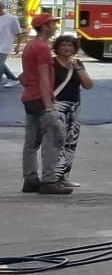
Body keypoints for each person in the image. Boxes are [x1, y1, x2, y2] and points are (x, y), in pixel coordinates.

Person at [19, 12, 69, 195]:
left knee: (31, 141)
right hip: (41, 99)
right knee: (55, 138)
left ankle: (30, 178)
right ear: (45, 26)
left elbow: (24, 75)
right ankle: (49, 180)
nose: (55, 26)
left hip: (30, 97)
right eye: (53, 24)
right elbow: (44, 77)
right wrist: (49, 105)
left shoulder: (31, 46)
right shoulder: (41, 48)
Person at [48, 33, 93, 188]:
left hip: (74, 108)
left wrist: (78, 68)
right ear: (57, 47)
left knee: (70, 143)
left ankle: (64, 177)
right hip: (57, 106)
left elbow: (88, 85)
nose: (66, 48)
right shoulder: (52, 63)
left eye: (70, 45)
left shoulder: (77, 63)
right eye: (63, 45)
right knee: (56, 142)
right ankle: (51, 177)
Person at [0, 0, 19, 88]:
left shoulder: (11, 18)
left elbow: (18, 33)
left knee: (0, 64)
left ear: (2, 8)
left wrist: (18, 46)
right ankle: (13, 79)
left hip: (5, 45)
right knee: (1, 64)